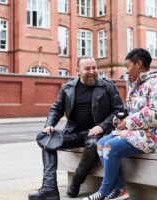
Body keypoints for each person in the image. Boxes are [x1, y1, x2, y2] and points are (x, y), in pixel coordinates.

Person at [84, 48, 157, 200]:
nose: (126, 71)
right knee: (101, 143)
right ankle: (118, 190)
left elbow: (156, 114)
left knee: (111, 147)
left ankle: (104, 191)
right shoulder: (138, 86)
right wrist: (121, 120)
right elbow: (133, 112)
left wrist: (128, 123)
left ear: (139, 64)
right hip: (147, 131)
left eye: (127, 66)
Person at [28, 56, 124, 200]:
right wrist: (49, 125)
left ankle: (76, 183)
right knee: (47, 140)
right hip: (73, 132)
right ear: (77, 71)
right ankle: (49, 188)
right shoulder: (68, 87)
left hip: (96, 134)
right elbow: (56, 109)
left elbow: (118, 111)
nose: (92, 71)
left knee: (92, 144)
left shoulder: (108, 86)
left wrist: (102, 126)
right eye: (87, 69)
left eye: (94, 68)